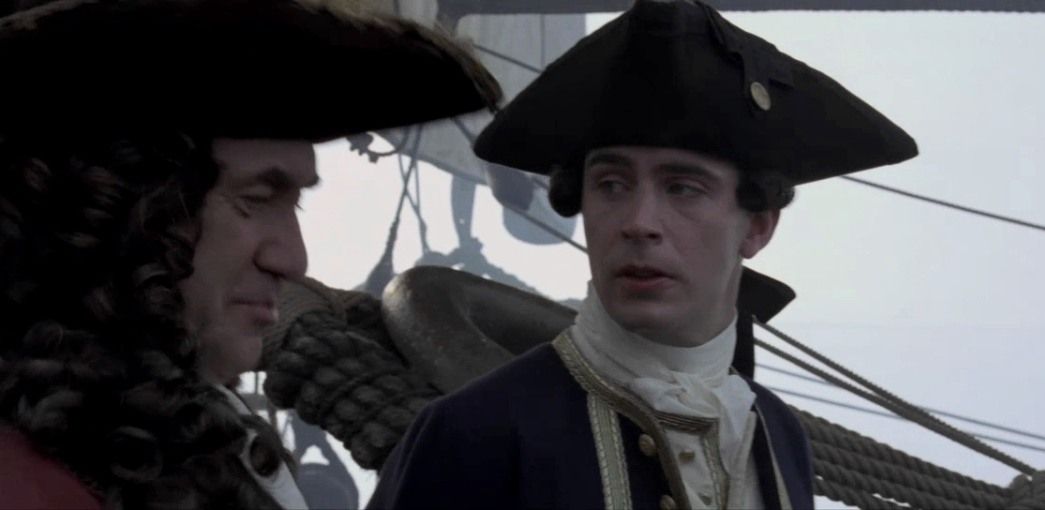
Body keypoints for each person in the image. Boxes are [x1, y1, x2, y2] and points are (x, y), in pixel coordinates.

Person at [368, 1, 917, 509]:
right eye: (611, 185)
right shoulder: (470, 432)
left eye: (683, 188)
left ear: (756, 227)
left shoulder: (778, 436)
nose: (638, 222)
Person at [0, 0, 499, 508]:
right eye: (255, 200)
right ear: (118, 213)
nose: (293, 260)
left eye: (294, 203)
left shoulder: (190, 451)